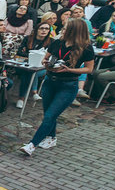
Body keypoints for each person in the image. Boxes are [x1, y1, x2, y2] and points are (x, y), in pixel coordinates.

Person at [22, 18, 95, 156]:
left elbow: (89, 69)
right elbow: (46, 57)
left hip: (68, 85)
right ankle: (51, 137)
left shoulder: (86, 48)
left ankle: (32, 144)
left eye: (66, 27)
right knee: (49, 113)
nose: (63, 29)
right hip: (50, 81)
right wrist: (46, 62)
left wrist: (69, 70)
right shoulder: (57, 42)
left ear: (74, 31)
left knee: (50, 115)